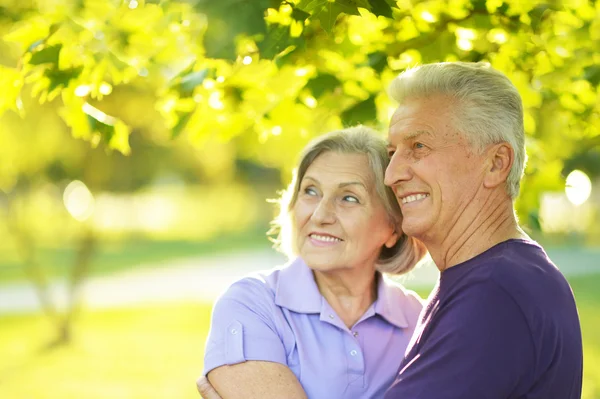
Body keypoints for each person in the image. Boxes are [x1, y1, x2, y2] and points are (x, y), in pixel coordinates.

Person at [383, 62, 583, 398]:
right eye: (392, 153)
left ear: (496, 164)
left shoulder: (495, 293)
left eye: (418, 147)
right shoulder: (495, 276)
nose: (391, 175)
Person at [199, 126, 428, 399]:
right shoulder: (251, 303)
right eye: (310, 191)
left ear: (393, 229)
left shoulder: (418, 320)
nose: (320, 215)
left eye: (348, 198)